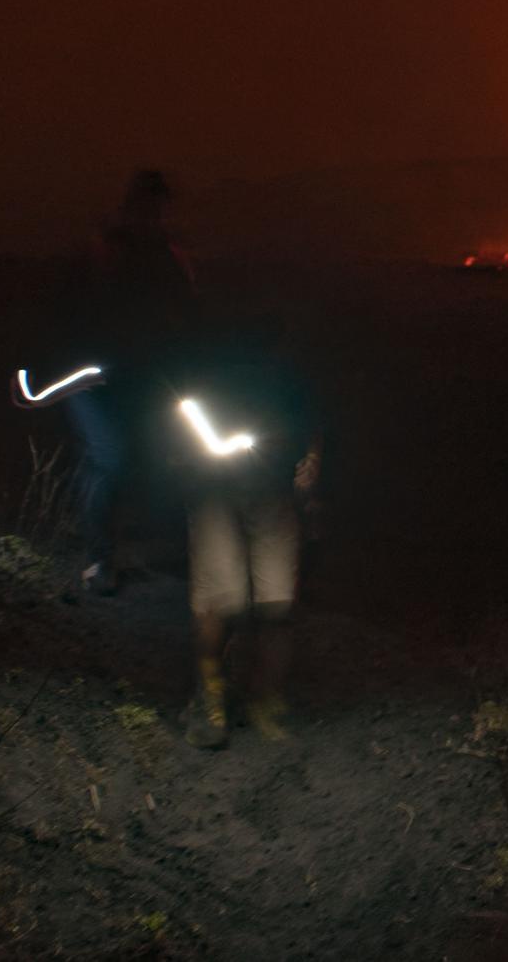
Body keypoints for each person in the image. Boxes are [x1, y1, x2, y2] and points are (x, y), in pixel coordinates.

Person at [170, 312, 320, 750]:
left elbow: (312, 419)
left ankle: (266, 696)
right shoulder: (202, 374)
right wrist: (183, 465)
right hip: (213, 490)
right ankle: (209, 695)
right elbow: (177, 431)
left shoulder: (289, 376)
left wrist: (312, 464)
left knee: (277, 603)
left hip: (273, 489)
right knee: (223, 600)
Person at [49, 169, 199, 596]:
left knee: (126, 458)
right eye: (149, 207)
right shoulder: (105, 250)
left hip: (135, 373)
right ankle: (100, 558)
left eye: (158, 209)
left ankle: (109, 548)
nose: (154, 215)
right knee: (108, 457)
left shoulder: (164, 255)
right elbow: (66, 307)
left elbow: (185, 314)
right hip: (94, 374)